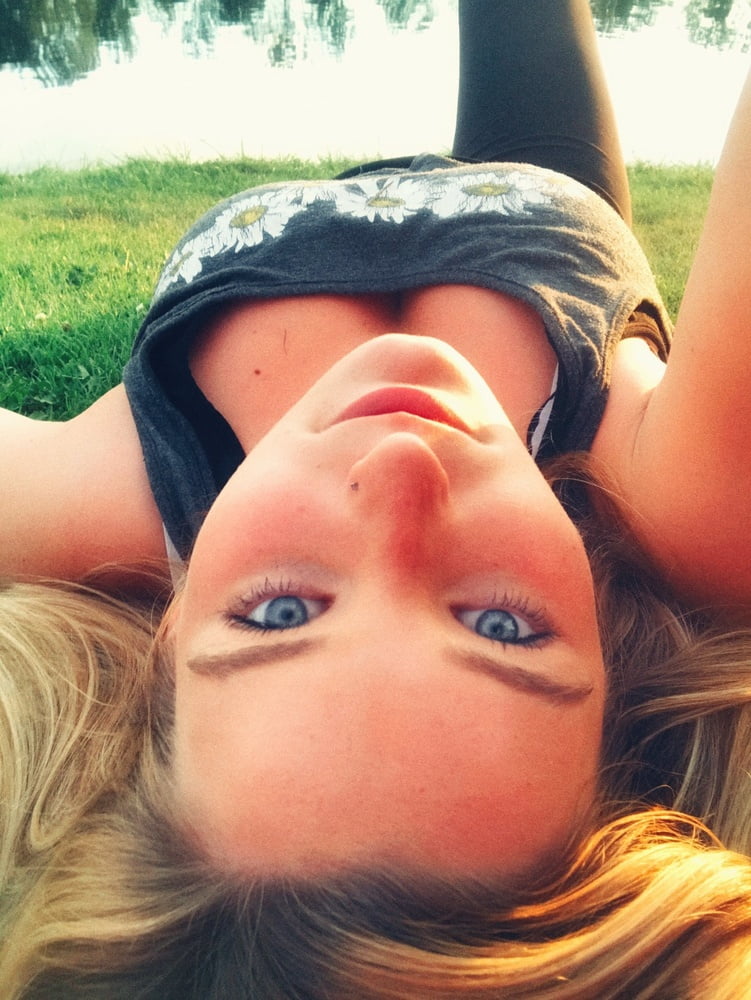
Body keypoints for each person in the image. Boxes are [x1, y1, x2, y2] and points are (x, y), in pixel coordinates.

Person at [3, 0, 751, 983]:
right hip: (542, 206)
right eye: (500, 626)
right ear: (613, 679)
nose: (401, 474)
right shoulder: (690, 513)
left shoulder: (95, 496)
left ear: (169, 640)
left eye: (280, 611)